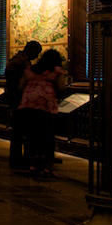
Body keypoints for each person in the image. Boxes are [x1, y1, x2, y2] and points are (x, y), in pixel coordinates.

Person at [18, 49, 67, 177]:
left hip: (28, 105)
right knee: (48, 136)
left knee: (32, 136)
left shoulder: (31, 70)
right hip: (46, 105)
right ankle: (47, 166)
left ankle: (33, 164)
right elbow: (62, 87)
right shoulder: (56, 71)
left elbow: (20, 86)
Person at [5, 41, 41, 169]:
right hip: (20, 101)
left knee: (17, 132)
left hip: (15, 100)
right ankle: (21, 160)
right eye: (36, 53)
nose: (36, 57)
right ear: (30, 50)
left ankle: (16, 159)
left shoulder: (16, 60)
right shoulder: (22, 63)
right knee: (22, 131)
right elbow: (20, 84)